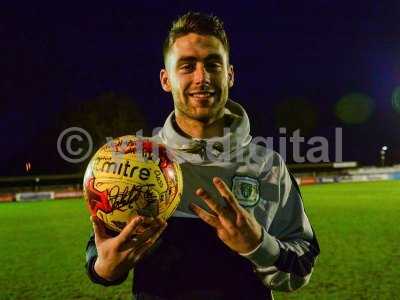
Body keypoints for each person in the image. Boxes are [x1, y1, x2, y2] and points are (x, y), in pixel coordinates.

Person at [85, 11, 320, 300]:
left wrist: (257, 244)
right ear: (165, 79)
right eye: (187, 66)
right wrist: (104, 268)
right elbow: (102, 251)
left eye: (213, 64)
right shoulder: (136, 161)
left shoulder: (266, 165)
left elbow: (302, 264)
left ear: (230, 74)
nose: (202, 77)